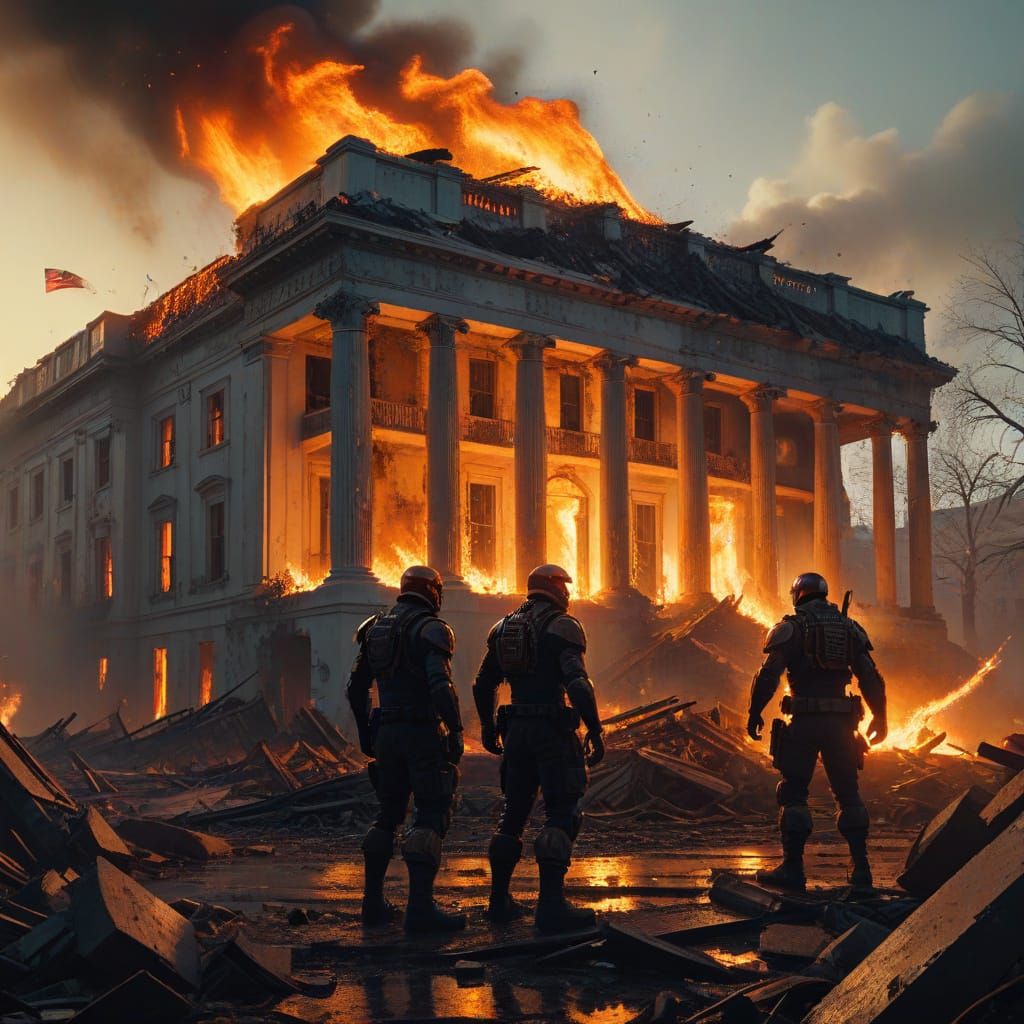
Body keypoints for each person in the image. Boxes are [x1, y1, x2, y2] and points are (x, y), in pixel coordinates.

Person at [472, 563, 605, 933]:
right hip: (551, 728)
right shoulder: (562, 625)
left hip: (515, 731)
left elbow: (483, 684)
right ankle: (550, 906)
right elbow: (577, 682)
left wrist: (486, 726)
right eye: (566, 585)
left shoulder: (503, 627)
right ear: (556, 588)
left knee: (512, 816)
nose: (569, 593)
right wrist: (594, 728)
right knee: (563, 812)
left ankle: (498, 903)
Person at [746, 572, 888, 894]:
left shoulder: (792, 628)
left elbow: (768, 675)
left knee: (794, 792)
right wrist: (881, 717)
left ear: (798, 596)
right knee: (848, 795)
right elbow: (870, 677)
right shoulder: (850, 629)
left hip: (805, 723)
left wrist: (755, 711)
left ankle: (793, 869)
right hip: (841, 725)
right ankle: (861, 869)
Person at [347, 565, 466, 932]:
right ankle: (419, 909)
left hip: (386, 731)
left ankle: (372, 905)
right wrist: (457, 729)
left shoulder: (374, 629)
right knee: (431, 813)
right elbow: (440, 685)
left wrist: (367, 733)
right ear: (432, 592)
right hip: (421, 732)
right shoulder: (430, 629)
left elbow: (356, 689)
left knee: (388, 813)